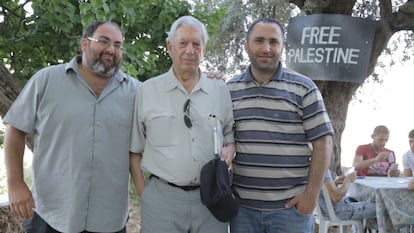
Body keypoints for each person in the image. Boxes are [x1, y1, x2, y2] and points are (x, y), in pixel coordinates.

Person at [3, 20, 140, 233]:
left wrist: (207, 81)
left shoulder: (136, 92)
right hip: (51, 214)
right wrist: (15, 183)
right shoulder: (46, 80)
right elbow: (16, 129)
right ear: (84, 44)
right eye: (103, 41)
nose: (111, 50)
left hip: (109, 219)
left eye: (117, 44)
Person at [129, 15, 236, 233]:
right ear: (170, 47)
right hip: (162, 201)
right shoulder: (147, 91)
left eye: (197, 44)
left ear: (203, 49)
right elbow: (134, 150)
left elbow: (229, 137)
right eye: (183, 43)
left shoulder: (220, 90)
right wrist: (144, 193)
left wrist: (230, 149)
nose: (190, 50)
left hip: (211, 200)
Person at [226, 17, 334, 233]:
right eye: (259, 41)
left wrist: (310, 197)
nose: (266, 48)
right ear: (246, 46)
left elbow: (323, 143)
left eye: (274, 42)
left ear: (282, 47)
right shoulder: (229, 90)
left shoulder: (304, 88)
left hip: (290, 212)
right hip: (242, 212)